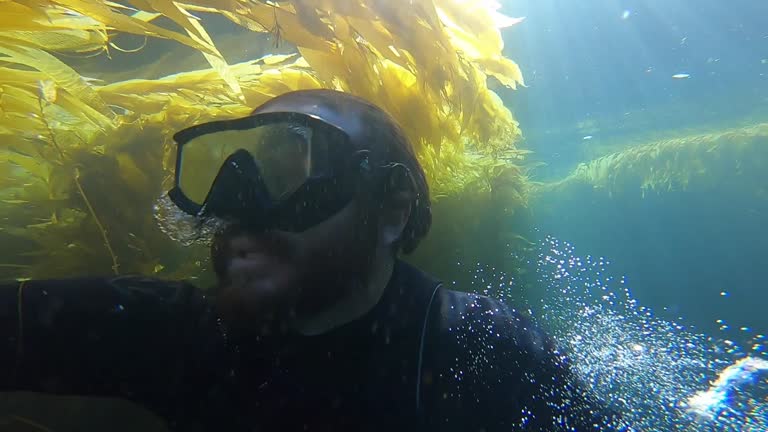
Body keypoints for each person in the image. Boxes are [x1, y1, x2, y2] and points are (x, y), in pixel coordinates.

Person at [0, 89, 625, 431]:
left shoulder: (480, 349)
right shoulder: (179, 334)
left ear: (390, 210)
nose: (240, 206)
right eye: (233, 168)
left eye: (290, 168)